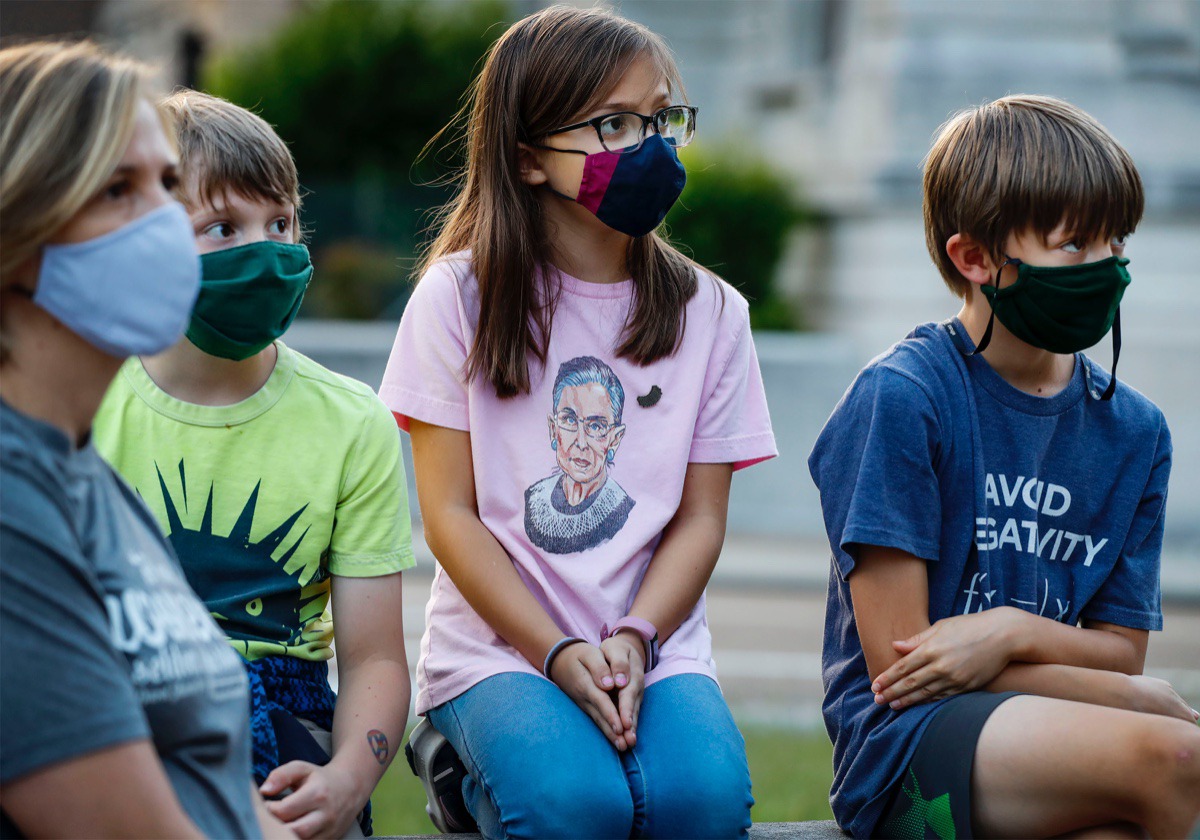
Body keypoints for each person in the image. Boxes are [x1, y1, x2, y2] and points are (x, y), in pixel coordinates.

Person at [379, 5, 777, 838]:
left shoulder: (714, 313)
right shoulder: (457, 299)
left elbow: (701, 520)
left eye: (662, 118)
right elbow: (449, 517)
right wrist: (557, 654)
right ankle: (460, 769)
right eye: (615, 124)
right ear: (528, 158)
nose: (651, 145)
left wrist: (635, 638)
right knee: (577, 806)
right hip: (499, 650)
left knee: (701, 807)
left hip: (654, 646)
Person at [809, 94, 1200, 839]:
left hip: (1059, 729)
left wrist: (1007, 631)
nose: (1109, 269)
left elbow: (1122, 651)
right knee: (1179, 753)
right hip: (908, 748)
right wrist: (1127, 698)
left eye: (1116, 242)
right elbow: (903, 668)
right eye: (1075, 245)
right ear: (975, 258)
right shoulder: (903, 398)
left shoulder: (1137, 432)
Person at [91, 89, 415, 839]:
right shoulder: (90, 398)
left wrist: (345, 781)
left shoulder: (352, 420)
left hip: (286, 718)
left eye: (280, 223)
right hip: (123, 706)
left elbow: (374, 658)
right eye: (222, 228)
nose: (264, 252)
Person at [0, 40, 290, 839]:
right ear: (19, 232)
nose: (166, 221)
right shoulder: (11, 502)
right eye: (118, 188)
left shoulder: (77, 468)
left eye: (168, 184)